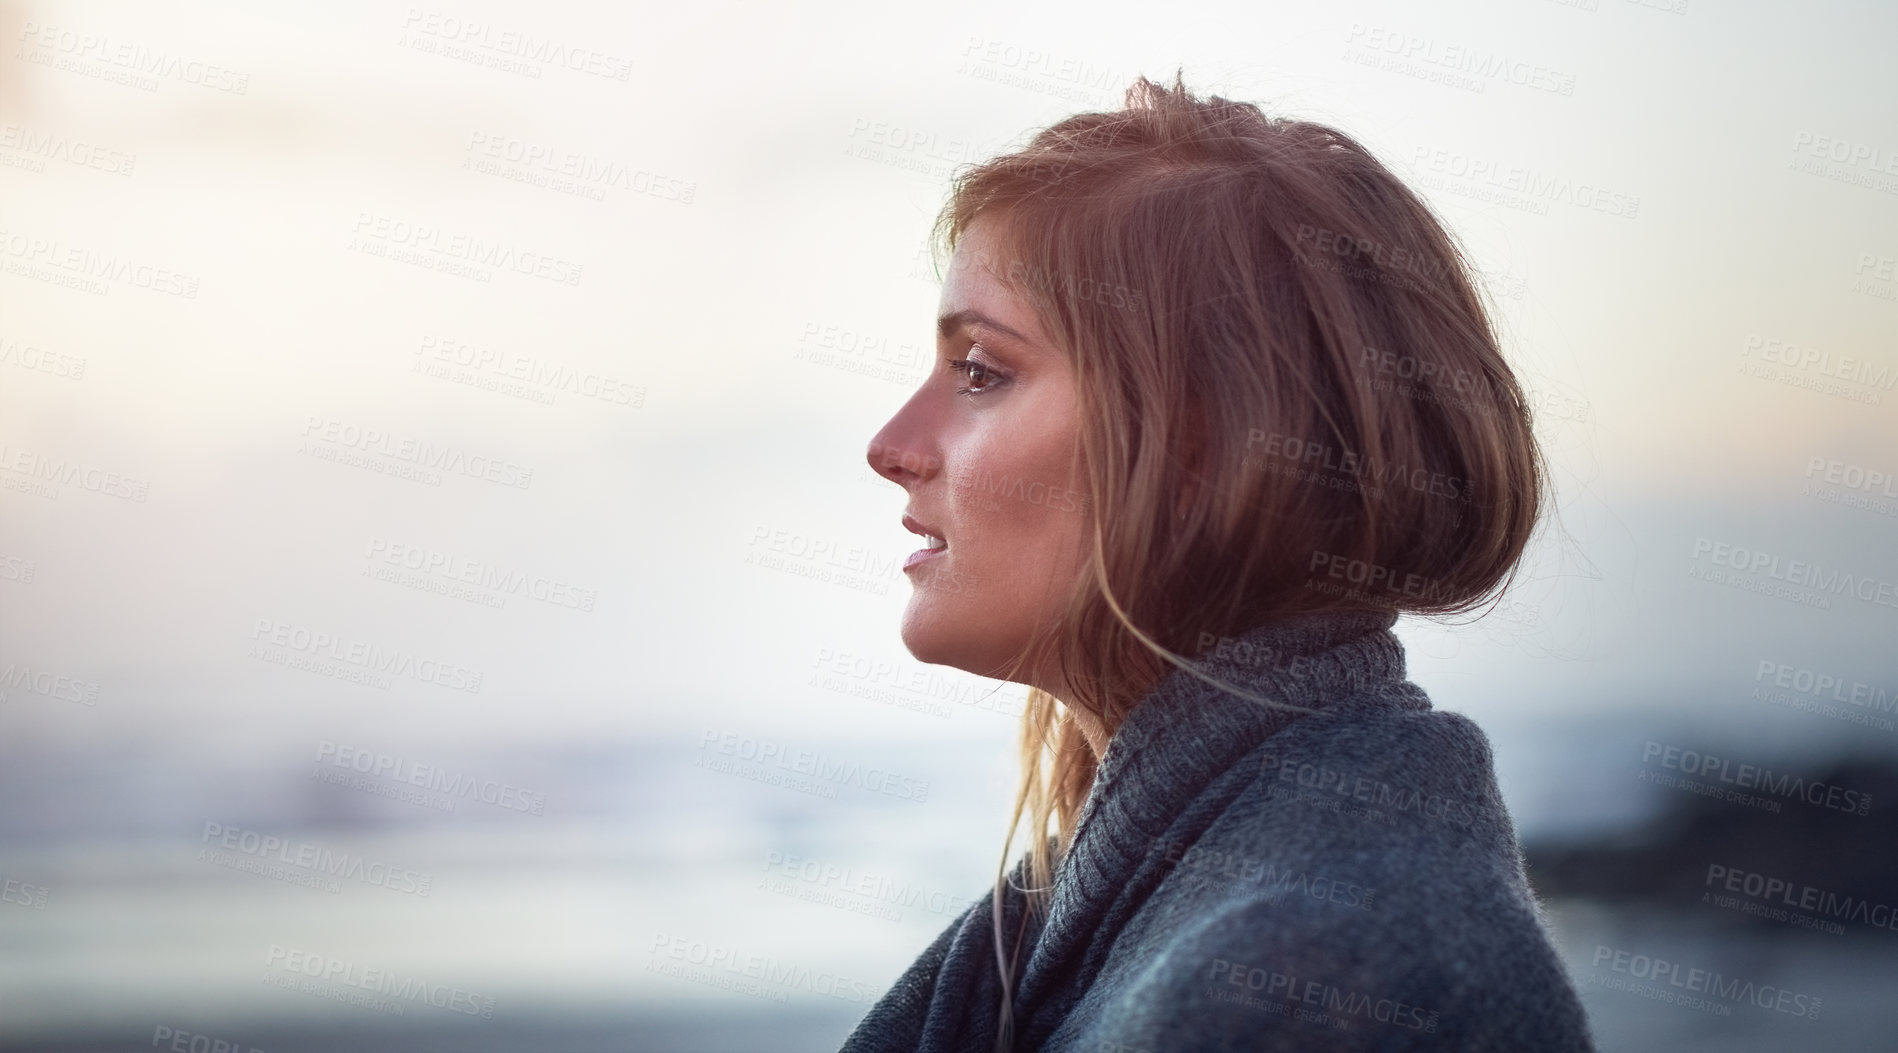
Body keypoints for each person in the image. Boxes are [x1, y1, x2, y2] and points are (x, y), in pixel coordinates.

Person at [847, 72, 1594, 1053]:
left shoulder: (1308, 986)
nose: (891, 444)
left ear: (1204, 444)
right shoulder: (1172, 904)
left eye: (982, 372)